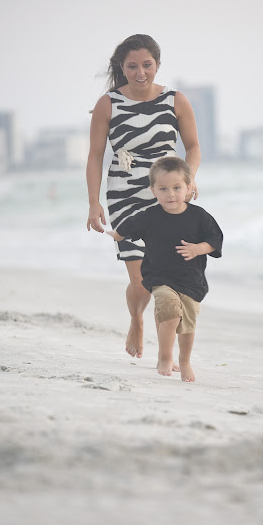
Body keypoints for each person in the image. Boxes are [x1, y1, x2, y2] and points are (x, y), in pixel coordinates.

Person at [86, 34, 201, 361]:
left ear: (157, 65)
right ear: (122, 68)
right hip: (124, 194)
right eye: (132, 66)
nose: (140, 72)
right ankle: (136, 319)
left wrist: (188, 179)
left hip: (167, 193)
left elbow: (193, 148)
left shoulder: (175, 100)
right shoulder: (108, 103)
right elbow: (95, 156)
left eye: (147, 65)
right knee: (141, 281)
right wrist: (94, 202)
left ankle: (171, 352)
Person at [107, 157, 223, 382]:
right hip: (159, 278)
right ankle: (164, 356)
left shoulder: (199, 216)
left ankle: (185, 360)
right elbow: (130, 224)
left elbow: (215, 239)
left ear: (188, 188)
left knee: (187, 326)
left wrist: (198, 248)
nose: (171, 194)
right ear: (153, 191)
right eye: (163, 189)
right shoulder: (150, 216)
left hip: (191, 281)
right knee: (169, 312)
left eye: (177, 188)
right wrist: (118, 234)